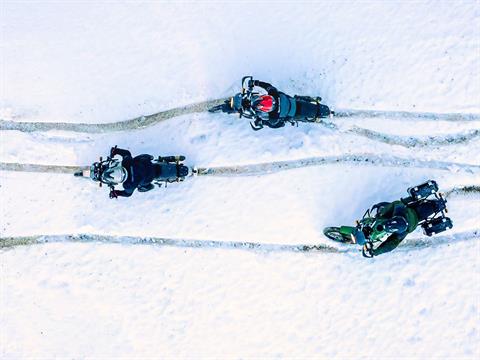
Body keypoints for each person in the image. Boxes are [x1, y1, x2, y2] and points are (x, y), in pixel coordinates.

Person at [247, 79, 330, 130]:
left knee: (299, 117)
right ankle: (312, 100)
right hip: (296, 103)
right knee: (297, 99)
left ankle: (315, 119)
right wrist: (256, 83)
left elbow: (276, 125)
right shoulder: (274, 94)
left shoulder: (273, 116)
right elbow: (268, 86)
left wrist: (261, 122)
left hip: (296, 114)